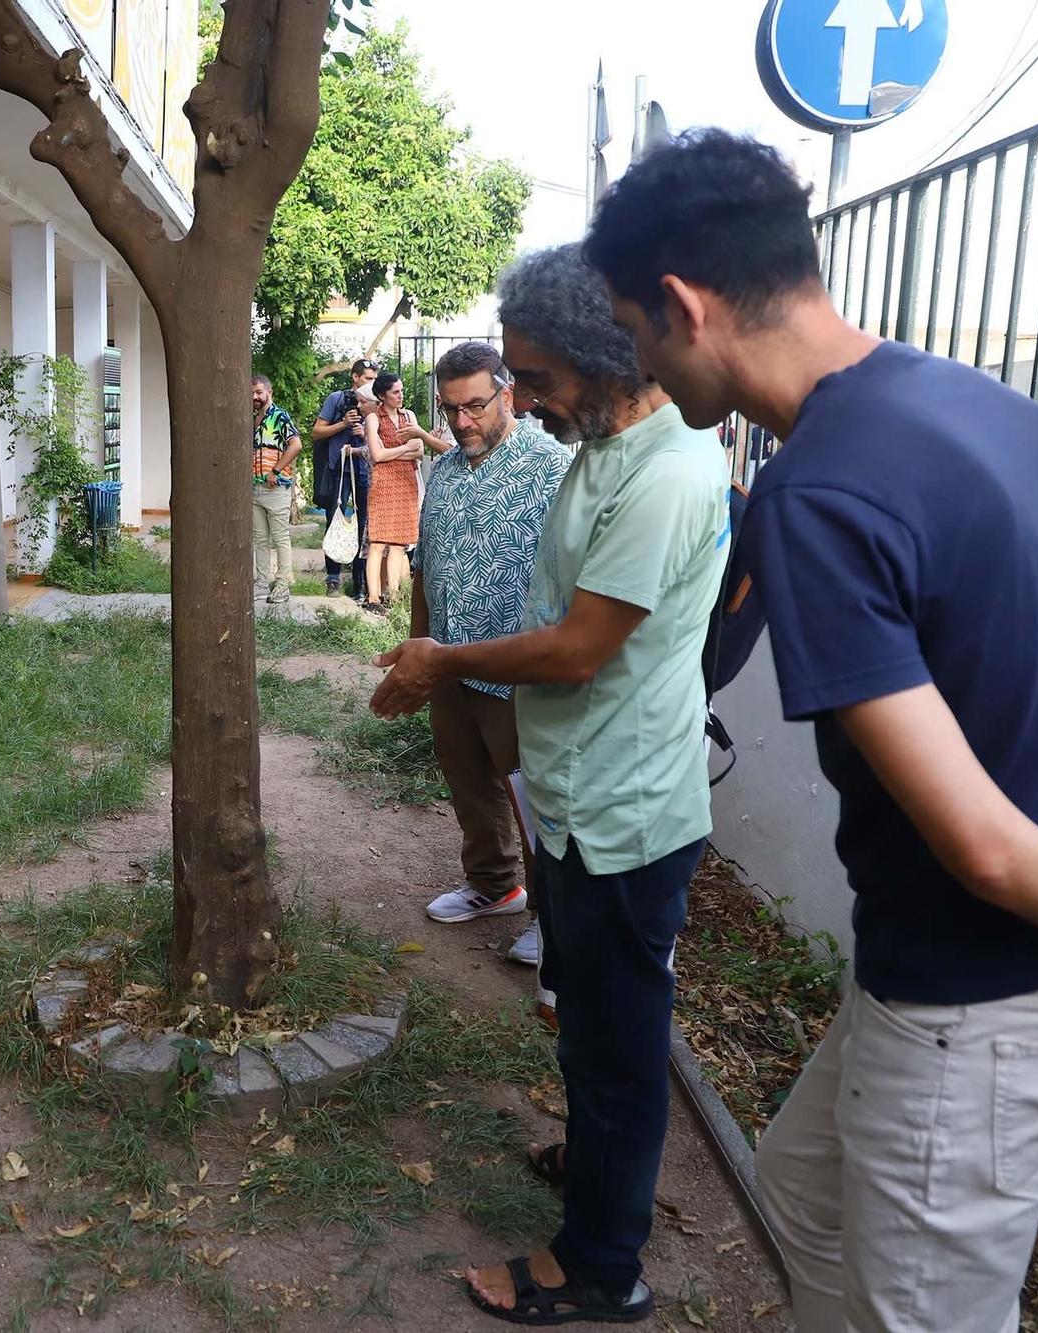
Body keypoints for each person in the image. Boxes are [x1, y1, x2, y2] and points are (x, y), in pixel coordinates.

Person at [587, 128, 1038, 1333]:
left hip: (988, 993)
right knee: (799, 1198)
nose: (638, 363)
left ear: (683, 306)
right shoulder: (998, 414)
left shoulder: (818, 492)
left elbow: (984, 849)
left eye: (633, 331)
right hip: (1012, 960)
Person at [370, 243, 729, 1326]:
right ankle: (595, 1166)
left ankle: (599, 1266)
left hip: (626, 816)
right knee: (577, 1020)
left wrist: (438, 660)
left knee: (619, 1051)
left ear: (599, 355)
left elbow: (580, 647)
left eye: (534, 379)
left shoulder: (668, 471)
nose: (522, 400)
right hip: (573, 802)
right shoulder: (601, 449)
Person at [411, 342, 570, 942]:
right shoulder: (446, 470)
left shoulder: (551, 466)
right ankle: (494, 885)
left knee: (535, 798)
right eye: (450, 409)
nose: (460, 422)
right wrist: (417, 649)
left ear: (507, 393)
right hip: (449, 659)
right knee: (468, 781)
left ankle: (550, 918)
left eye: (473, 406)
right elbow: (424, 566)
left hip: (516, 667)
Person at [361, 372, 431, 615]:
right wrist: (404, 449)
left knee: (399, 544)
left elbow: (420, 451)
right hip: (383, 484)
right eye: (396, 392)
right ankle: (373, 597)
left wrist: (394, 451)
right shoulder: (373, 418)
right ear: (382, 395)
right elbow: (376, 456)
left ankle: (394, 596)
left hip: (406, 482)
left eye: (401, 391)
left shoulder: (409, 416)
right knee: (378, 543)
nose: (401, 396)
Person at [311, 358, 377, 596]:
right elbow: (316, 432)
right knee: (334, 520)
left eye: (375, 380)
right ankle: (332, 579)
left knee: (364, 525)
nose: (372, 384)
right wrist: (343, 424)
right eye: (368, 379)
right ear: (355, 377)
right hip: (338, 469)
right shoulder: (336, 399)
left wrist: (365, 432)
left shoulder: (375, 402)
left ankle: (359, 585)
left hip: (365, 470)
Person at [250, 374, 302, 605]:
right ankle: (261, 583)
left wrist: (276, 470)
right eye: (252, 393)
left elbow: (296, 445)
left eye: (259, 392)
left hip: (275, 488)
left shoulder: (279, 417)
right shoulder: (252, 419)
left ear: (269, 392)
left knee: (281, 538)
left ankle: (282, 585)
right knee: (260, 540)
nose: (255, 397)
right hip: (254, 488)